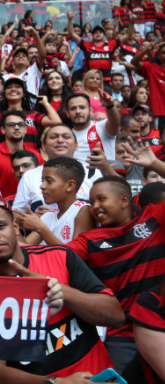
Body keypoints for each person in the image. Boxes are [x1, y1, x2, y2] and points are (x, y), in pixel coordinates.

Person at [0, 192, 124, 381]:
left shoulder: (59, 256)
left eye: (0, 226)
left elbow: (115, 317)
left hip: (99, 377)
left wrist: (60, 290)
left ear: (15, 226)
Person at [66, 147, 165, 372]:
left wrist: (156, 165)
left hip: (161, 326)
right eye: (92, 202)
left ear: (124, 200)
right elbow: (58, 257)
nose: (96, 206)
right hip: (121, 338)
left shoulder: (155, 217)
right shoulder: (89, 240)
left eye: (101, 199)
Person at [13, 124, 102, 212]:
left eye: (66, 137)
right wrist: (33, 217)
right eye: (53, 137)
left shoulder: (93, 173)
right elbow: (16, 214)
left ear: (76, 146)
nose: (60, 140)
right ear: (43, 146)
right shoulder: (29, 176)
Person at [14, 157, 95, 245]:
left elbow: (75, 256)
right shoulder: (48, 215)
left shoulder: (83, 210)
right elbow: (25, 249)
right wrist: (15, 231)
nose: (42, 186)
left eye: (49, 181)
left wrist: (40, 228)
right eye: (42, 180)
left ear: (70, 185)